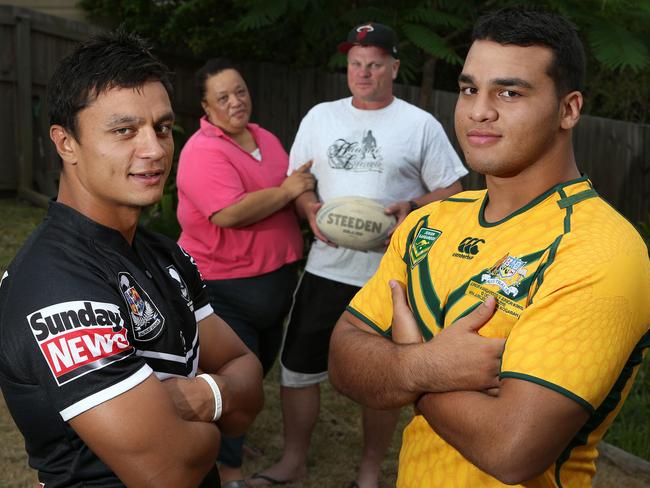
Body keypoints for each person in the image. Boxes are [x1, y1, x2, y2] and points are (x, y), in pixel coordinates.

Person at [329, 7, 650, 487]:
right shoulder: (429, 223)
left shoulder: (601, 250)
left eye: (509, 92)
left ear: (569, 109)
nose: (480, 109)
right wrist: (424, 365)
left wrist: (404, 367)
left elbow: (510, 449)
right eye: (468, 89)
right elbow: (342, 359)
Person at [0, 32, 264, 487]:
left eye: (161, 127)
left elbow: (248, 378)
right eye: (125, 131)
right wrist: (218, 415)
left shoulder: (163, 252)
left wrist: (205, 397)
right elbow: (170, 470)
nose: (155, 149)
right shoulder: (54, 285)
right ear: (66, 143)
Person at [251, 22, 468, 488]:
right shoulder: (320, 117)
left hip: (388, 277)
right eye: (355, 63)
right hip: (325, 269)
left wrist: (411, 208)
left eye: (373, 63)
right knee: (298, 370)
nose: (363, 72)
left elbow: (453, 190)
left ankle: (369, 473)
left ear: (393, 66)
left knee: (382, 378)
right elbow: (299, 183)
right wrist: (308, 209)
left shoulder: (419, 124)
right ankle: (293, 463)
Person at [176, 58, 314, 487]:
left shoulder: (265, 138)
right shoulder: (203, 150)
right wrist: (289, 190)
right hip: (223, 286)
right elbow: (228, 213)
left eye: (240, 91)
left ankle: (230, 439)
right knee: (232, 379)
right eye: (223, 97)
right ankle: (227, 472)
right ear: (206, 106)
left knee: (257, 371)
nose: (236, 102)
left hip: (275, 281)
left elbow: (294, 188)